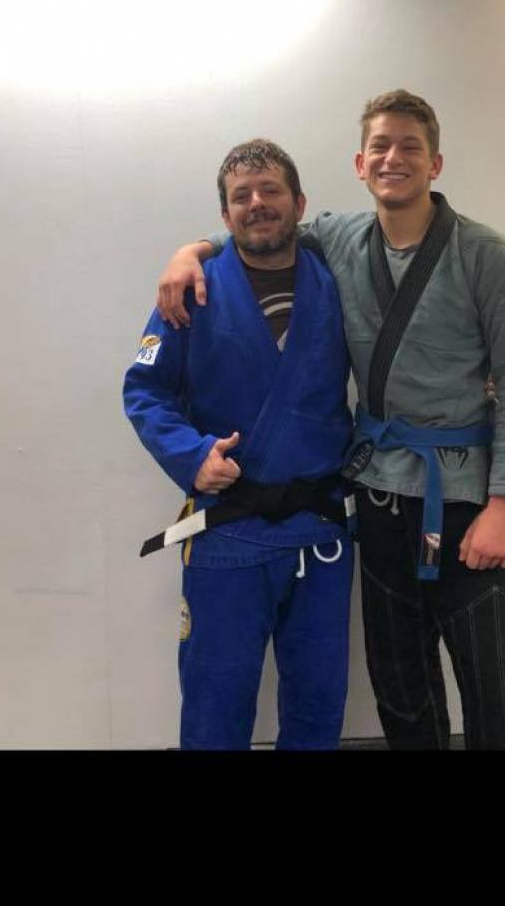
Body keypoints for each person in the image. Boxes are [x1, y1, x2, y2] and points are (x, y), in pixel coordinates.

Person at [156, 91, 505, 750]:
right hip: (378, 496)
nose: (394, 158)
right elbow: (259, 230)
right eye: (380, 147)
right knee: (400, 685)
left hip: (465, 498)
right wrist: (188, 252)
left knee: (494, 683)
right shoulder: (339, 238)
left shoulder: (489, 252)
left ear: (435, 163)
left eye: (410, 147)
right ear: (360, 164)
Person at [123, 139, 354, 751]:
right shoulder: (190, 290)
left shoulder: (337, 280)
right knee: (215, 706)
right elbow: (144, 388)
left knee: (319, 706)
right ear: (224, 216)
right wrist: (191, 455)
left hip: (321, 531)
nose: (257, 204)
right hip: (229, 530)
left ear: (299, 203)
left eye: (270, 190)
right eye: (241, 196)